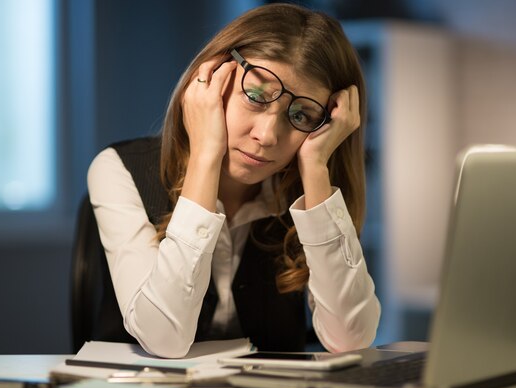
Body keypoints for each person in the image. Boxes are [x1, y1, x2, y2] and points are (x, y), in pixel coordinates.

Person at [87, 3, 380, 358]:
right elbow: (165, 339)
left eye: (302, 115)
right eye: (256, 96)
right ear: (211, 78)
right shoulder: (117, 168)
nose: (268, 135)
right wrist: (206, 155)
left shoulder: (311, 185)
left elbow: (350, 341)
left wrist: (317, 167)